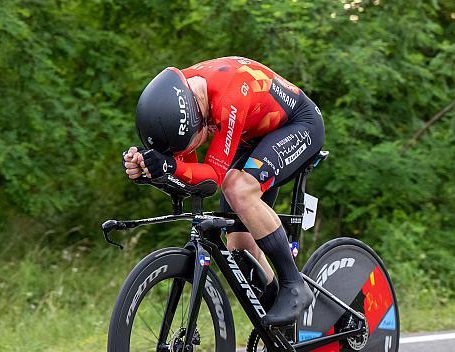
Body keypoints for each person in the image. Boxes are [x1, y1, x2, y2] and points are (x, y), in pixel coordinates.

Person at [123, 56, 325, 326]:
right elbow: (188, 174)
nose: (187, 151)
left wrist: (170, 166)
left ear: (198, 119)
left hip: (298, 124)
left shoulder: (228, 96)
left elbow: (212, 178)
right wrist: (151, 170)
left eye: (188, 144)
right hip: (252, 132)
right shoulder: (181, 95)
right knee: (240, 249)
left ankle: (294, 283)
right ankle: (281, 331)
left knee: (238, 188)